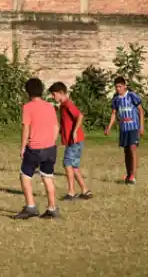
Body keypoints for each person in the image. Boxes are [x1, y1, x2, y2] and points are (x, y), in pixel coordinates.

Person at [14, 77, 60, 219]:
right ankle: (52, 208)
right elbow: (56, 127)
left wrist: (22, 147)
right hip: (50, 148)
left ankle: (31, 207)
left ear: (28, 92)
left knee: (25, 175)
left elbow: (26, 128)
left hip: (34, 148)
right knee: (47, 177)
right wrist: (51, 141)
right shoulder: (50, 106)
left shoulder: (28, 107)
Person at [48, 81, 92, 200]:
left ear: (61, 93)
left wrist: (74, 131)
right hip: (72, 141)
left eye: (54, 94)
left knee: (67, 164)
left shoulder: (67, 104)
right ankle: (85, 190)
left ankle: (71, 192)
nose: (53, 97)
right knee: (74, 166)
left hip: (75, 141)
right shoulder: (62, 106)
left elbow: (80, 116)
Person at [104, 76, 144, 185]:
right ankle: (128, 174)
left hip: (133, 127)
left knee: (132, 149)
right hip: (123, 128)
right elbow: (114, 113)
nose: (118, 89)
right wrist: (109, 127)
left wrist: (141, 126)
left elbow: (141, 110)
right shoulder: (116, 99)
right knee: (126, 151)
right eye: (116, 87)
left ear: (125, 86)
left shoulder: (132, 96)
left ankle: (133, 176)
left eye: (120, 86)